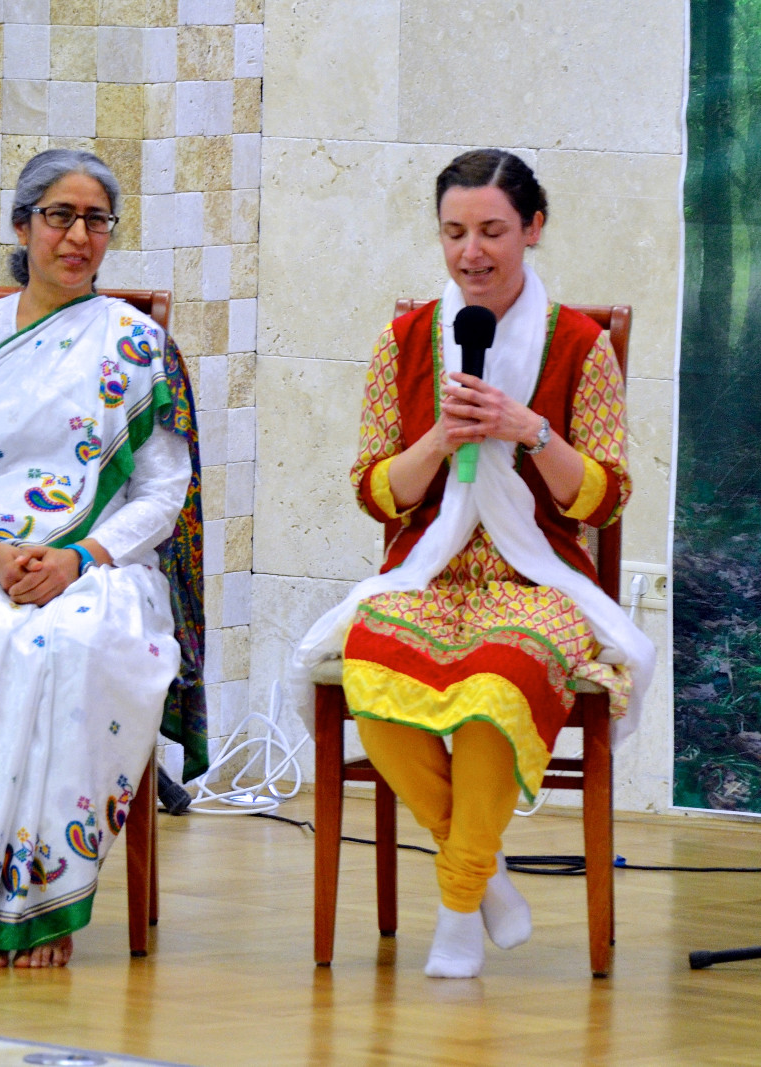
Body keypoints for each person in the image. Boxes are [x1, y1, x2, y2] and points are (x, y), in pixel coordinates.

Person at [295, 149, 654, 979]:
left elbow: (603, 500)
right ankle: (482, 870)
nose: (472, 252)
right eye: (454, 232)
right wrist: (437, 441)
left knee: (499, 680)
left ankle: (458, 907)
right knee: (371, 661)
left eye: (492, 230)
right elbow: (376, 494)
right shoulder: (403, 341)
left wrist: (530, 430)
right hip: (426, 572)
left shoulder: (581, 346)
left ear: (533, 228)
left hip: (538, 580)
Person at [0, 148, 205, 968]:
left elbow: (164, 494)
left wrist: (78, 558)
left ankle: (43, 907)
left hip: (101, 565)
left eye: (96, 220)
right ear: (22, 226)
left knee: (71, 644)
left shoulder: (139, 344)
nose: (78, 237)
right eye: (61, 216)